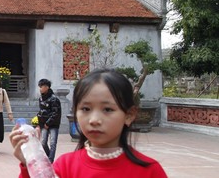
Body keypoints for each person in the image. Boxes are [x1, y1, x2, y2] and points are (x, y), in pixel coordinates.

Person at [9, 68, 168, 178]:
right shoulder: (65, 166)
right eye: (85, 108)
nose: (94, 120)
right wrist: (29, 162)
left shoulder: (150, 171)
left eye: (107, 109)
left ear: (129, 115)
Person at [37, 78, 61, 163]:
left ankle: (50, 161)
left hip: (53, 124)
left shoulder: (54, 99)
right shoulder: (40, 98)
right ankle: (48, 157)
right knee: (43, 142)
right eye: (39, 87)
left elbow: (56, 113)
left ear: (47, 87)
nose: (40, 88)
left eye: (41, 86)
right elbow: (41, 112)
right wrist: (39, 124)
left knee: (53, 143)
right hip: (44, 124)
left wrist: (48, 123)